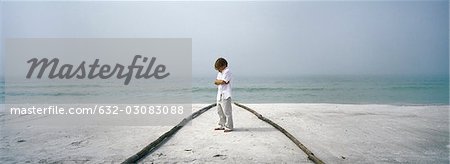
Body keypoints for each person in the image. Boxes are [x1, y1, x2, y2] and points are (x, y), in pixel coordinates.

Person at [213, 57, 233, 132]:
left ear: (223, 65)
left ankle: (229, 126)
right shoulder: (220, 73)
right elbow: (216, 82)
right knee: (220, 111)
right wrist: (219, 81)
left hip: (226, 94)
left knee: (227, 111)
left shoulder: (227, 71)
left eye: (219, 68)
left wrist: (219, 81)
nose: (218, 70)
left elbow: (223, 82)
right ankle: (222, 125)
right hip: (219, 94)